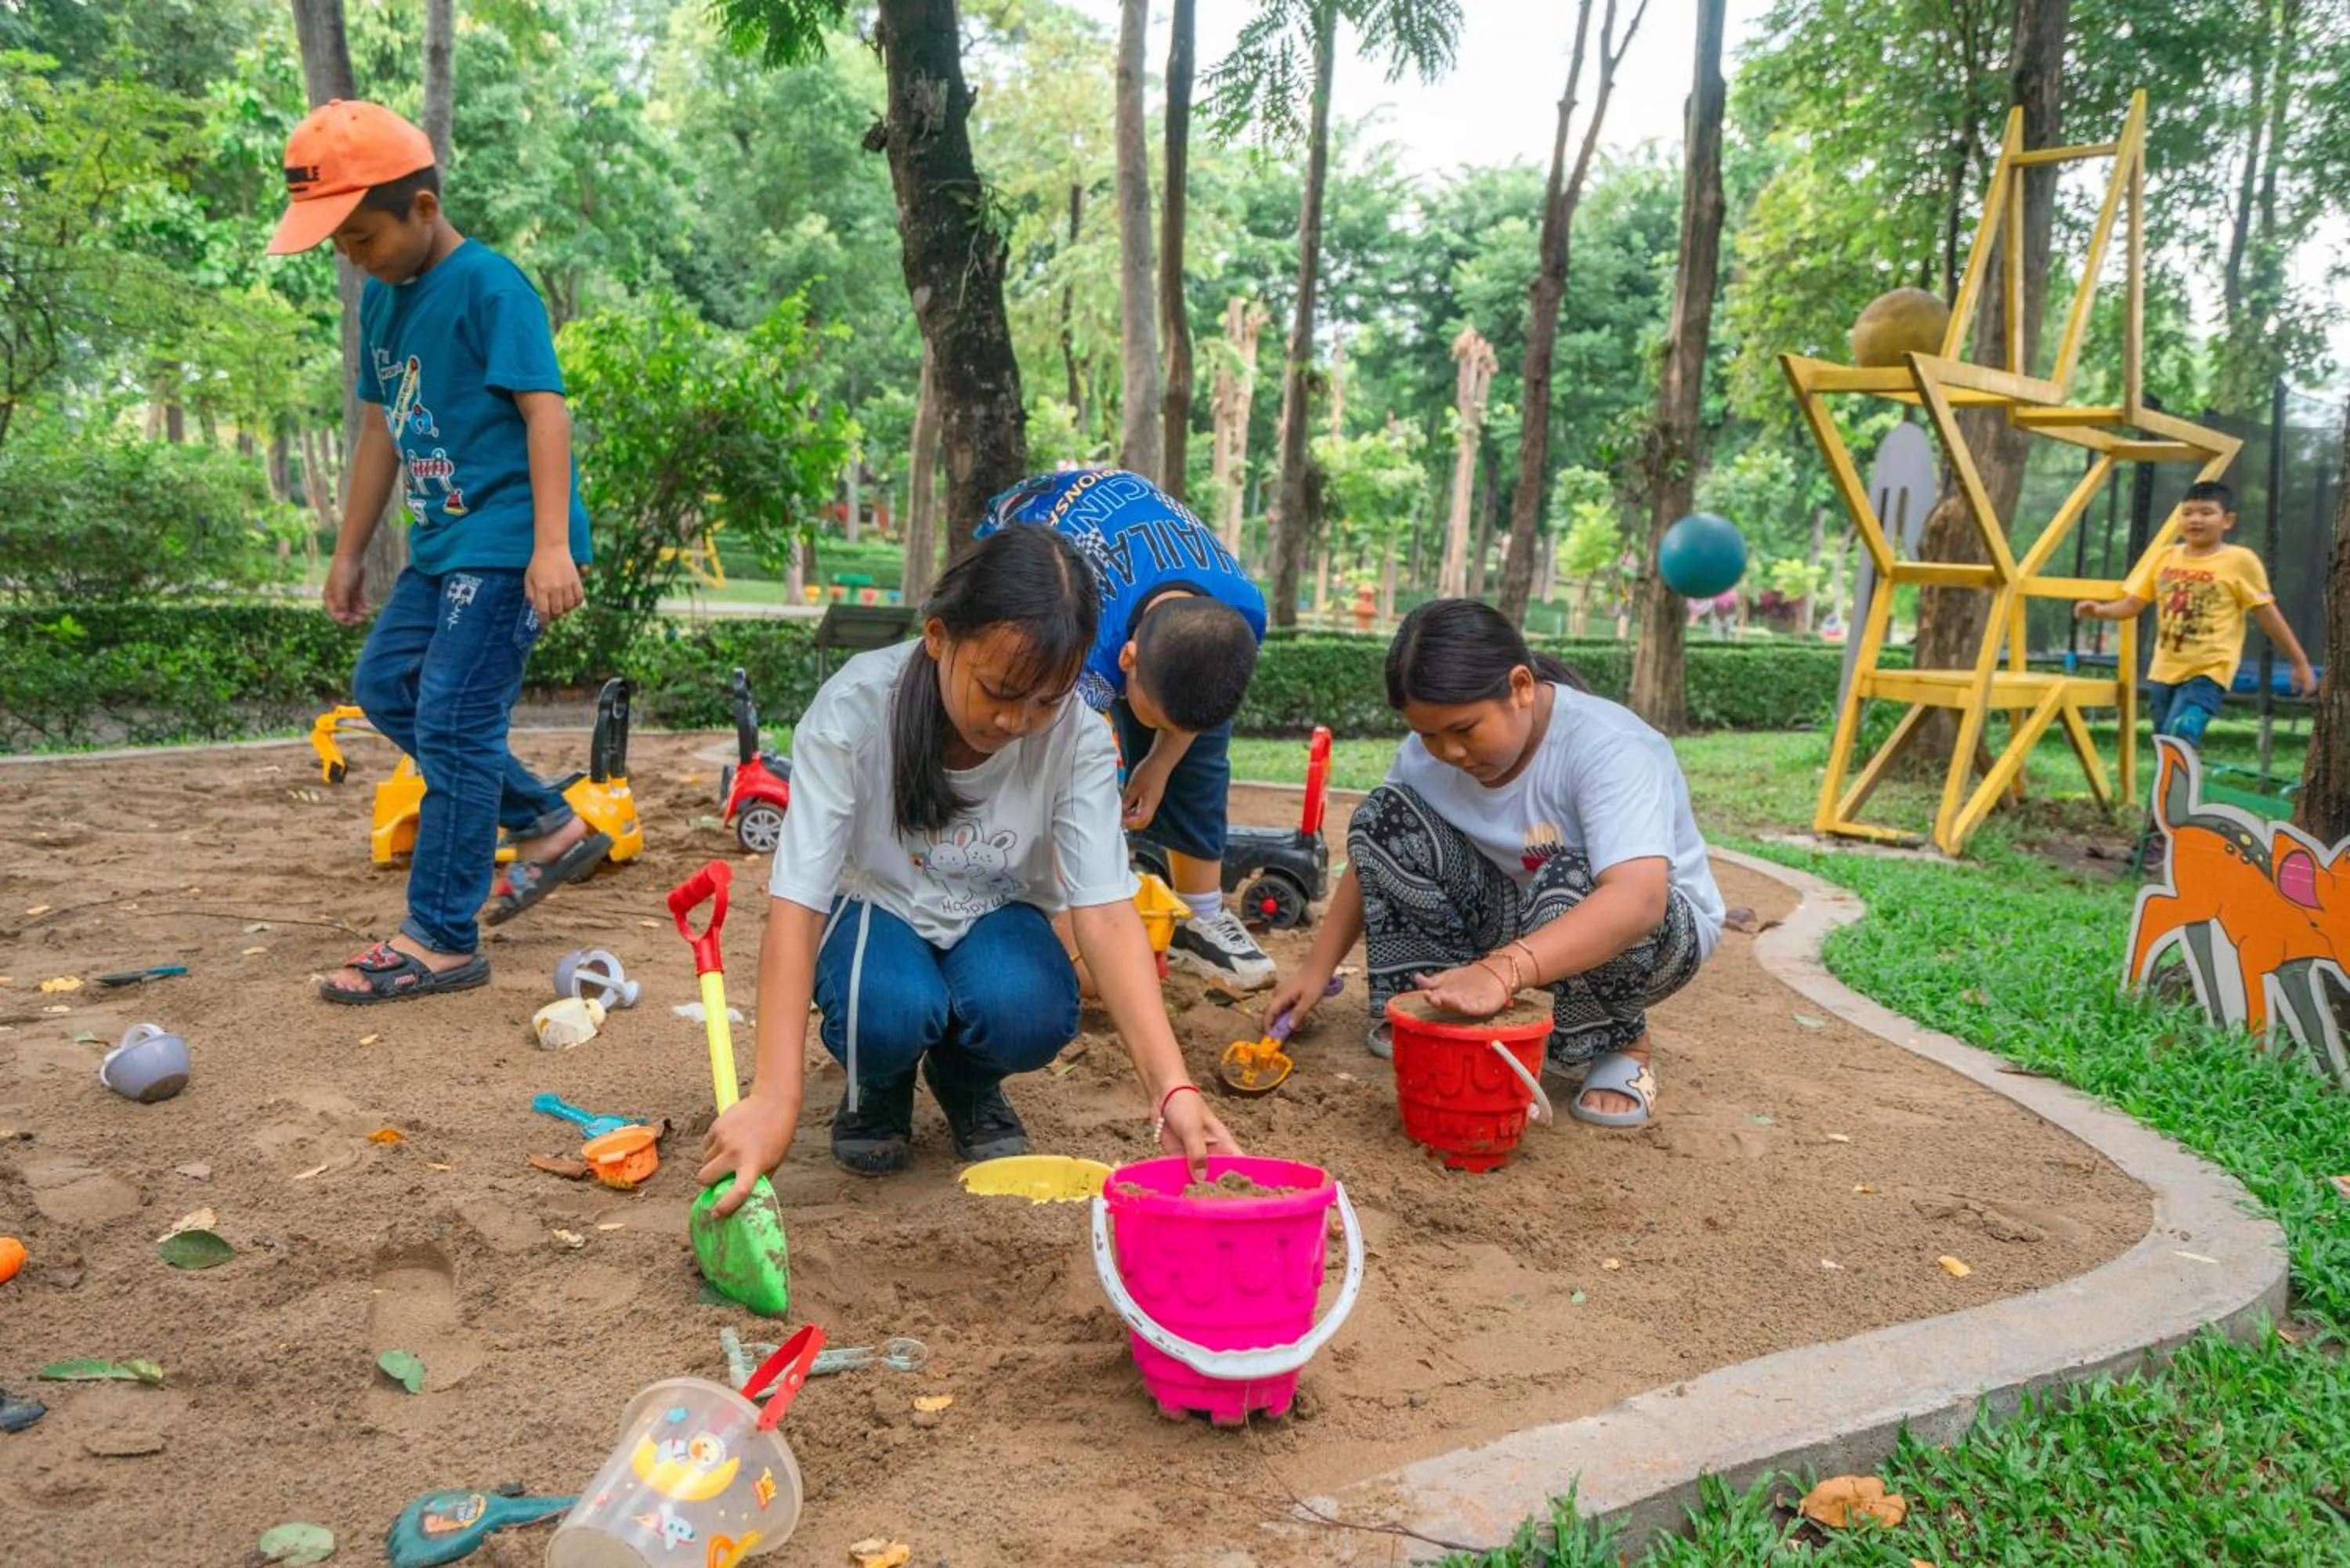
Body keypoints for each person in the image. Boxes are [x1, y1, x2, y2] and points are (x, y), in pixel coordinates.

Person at [696, 526, 1240, 1193]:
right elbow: (799, 905)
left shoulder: (1078, 740)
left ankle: (965, 1079)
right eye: (1000, 691)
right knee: (889, 1008)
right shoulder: (855, 710)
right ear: (938, 638)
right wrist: (775, 1098)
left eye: (1047, 699)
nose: (1018, 721)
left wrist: (1173, 1088)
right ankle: (879, 1085)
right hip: (875, 903)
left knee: (1033, 1006)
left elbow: (1105, 912)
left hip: (996, 910)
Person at [269, 101, 606, 1004]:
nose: (352, 256)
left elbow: (547, 412)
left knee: (456, 721)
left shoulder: (492, 288)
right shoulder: (382, 299)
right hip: (440, 547)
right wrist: (349, 552)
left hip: (505, 543)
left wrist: (547, 548)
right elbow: (380, 430)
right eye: (338, 243)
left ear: (422, 207)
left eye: (361, 236)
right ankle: (542, 821)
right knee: (387, 687)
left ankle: (442, 936)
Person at [1260, 599, 1726, 1129]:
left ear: (1521, 687)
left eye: (1464, 729)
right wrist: (1316, 971)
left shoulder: (1610, 748)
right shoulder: (1425, 754)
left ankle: (1622, 1043)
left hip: (1654, 940)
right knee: (1383, 816)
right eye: (1429, 734)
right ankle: (1438, 1005)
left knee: (1569, 878)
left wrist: (1501, 970)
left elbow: (1639, 900)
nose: (1448, 752)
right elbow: (1376, 852)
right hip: (1522, 919)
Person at [977, 468, 1274, 990]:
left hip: (1133, 546)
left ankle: (1199, 916)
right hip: (1025, 531)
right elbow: (1064, 765)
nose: (1157, 727)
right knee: (1038, 743)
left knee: (1200, 745)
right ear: (1127, 658)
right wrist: (1075, 927)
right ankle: (1027, 893)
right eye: (1150, 712)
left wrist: (1159, 763)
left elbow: (1190, 712)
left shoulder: (1243, 610)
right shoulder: (1087, 634)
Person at [2075, 479, 2318, 749]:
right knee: (2167, 745)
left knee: (2180, 733)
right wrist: (2100, 610)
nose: (2195, 520)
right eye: (2188, 512)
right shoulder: (2164, 557)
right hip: (2164, 671)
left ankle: (2180, 787)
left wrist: (2300, 663)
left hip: (2210, 670)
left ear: (2227, 520)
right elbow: (2133, 604)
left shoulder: (2240, 560)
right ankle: (2180, 790)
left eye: (2206, 512)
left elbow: (2267, 613)